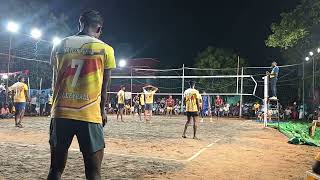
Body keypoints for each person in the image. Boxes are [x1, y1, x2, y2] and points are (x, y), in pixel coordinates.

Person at [48, 10, 116, 180]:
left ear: (80, 24)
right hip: (89, 113)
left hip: (61, 112)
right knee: (93, 173)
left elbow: (56, 79)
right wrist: (103, 111)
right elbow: (104, 86)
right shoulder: (105, 49)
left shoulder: (60, 45)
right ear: (99, 28)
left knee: (55, 170)